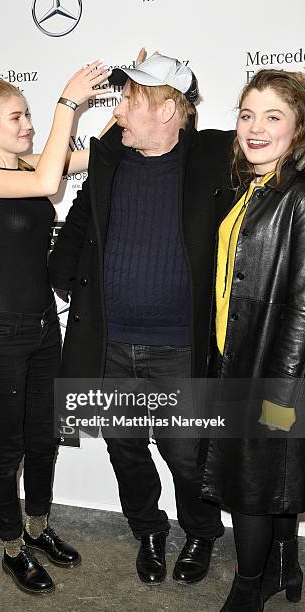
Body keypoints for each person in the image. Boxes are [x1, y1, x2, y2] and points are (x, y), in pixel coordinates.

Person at [48, 54, 235, 586]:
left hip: (180, 344)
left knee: (185, 454)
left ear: (172, 110)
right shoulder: (109, 158)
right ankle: (148, 529)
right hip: (110, 341)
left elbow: (280, 142)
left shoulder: (214, 154)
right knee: (125, 446)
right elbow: (80, 216)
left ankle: (200, 531)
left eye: (131, 101)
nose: (119, 111)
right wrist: (57, 277)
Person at [0, 62, 109, 595]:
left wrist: (127, 103)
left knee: (44, 441)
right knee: (9, 446)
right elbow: (50, 180)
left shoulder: (24, 166)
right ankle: (12, 548)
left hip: (43, 328)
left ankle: (38, 529)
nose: (29, 124)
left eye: (30, 115)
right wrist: (70, 101)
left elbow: (84, 160)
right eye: (17, 117)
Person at [201, 69, 305, 611]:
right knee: (273, 474)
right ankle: (284, 568)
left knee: (249, 482)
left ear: (299, 127)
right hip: (241, 358)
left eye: (273, 116)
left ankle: (247, 587)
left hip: (273, 373)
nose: (255, 128)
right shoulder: (259, 186)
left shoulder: (299, 195)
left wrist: (278, 391)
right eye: (246, 115)